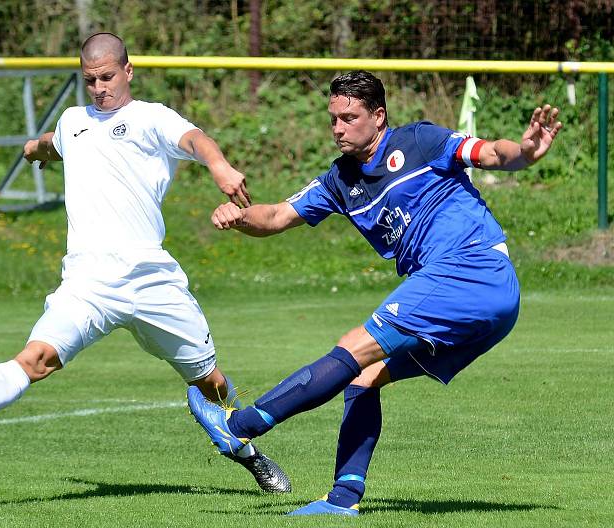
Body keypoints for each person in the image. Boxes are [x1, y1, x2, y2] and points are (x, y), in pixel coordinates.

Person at [0, 32, 290, 494]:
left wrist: (218, 166)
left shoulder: (150, 118)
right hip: (88, 281)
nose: (99, 87)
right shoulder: (74, 121)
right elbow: (55, 144)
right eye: (90, 79)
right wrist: (35, 149)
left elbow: (197, 140)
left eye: (107, 76)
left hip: (150, 279)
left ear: (128, 72)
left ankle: (250, 455)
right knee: (37, 358)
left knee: (209, 383)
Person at [187, 70, 562, 515]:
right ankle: (342, 500)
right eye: (333, 119)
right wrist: (239, 216)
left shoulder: (421, 141)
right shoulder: (340, 181)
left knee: (354, 347)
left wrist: (526, 152)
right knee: (364, 379)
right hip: (485, 302)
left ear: (379, 116)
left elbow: (492, 153)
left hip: (471, 268)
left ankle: (240, 426)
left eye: (349, 117)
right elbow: (274, 218)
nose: (338, 128)